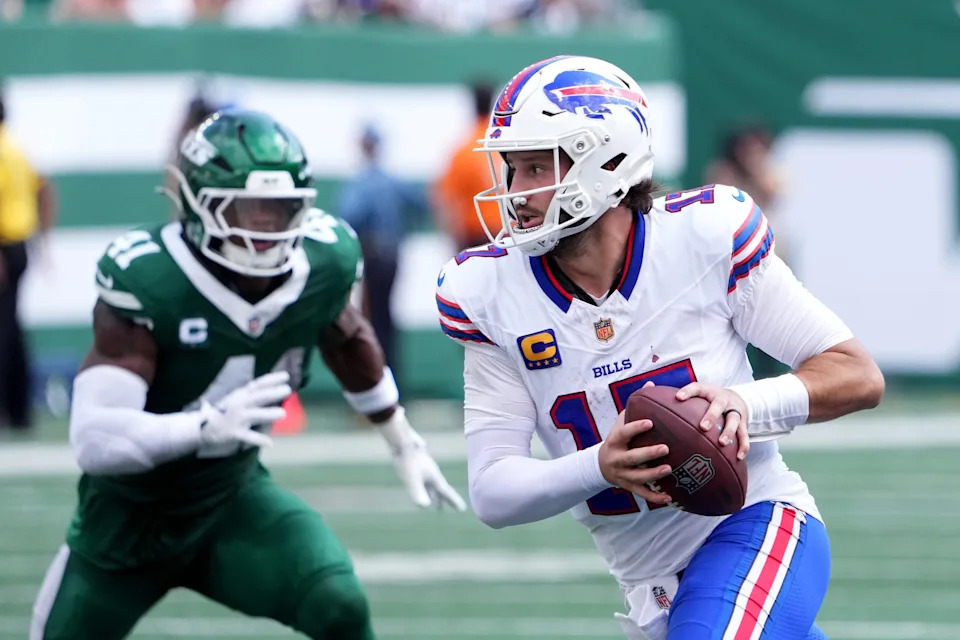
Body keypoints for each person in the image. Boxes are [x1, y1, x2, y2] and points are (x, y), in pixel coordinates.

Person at [436, 55, 884, 640]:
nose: (516, 193)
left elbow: (855, 374)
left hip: (756, 524)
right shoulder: (490, 292)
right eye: (511, 169)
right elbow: (493, 491)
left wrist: (744, 404)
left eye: (534, 168)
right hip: (652, 588)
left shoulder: (702, 237)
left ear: (606, 158)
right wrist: (599, 465)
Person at [30, 109, 465, 640]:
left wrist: (400, 437)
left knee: (338, 602)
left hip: (230, 501)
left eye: (281, 210)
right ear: (196, 204)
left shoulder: (321, 261)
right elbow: (95, 438)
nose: (264, 226)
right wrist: (201, 428)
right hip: (125, 524)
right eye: (246, 208)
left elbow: (346, 337)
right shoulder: (150, 277)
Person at [338, 123, 428, 378]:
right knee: (386, 316)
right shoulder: (392, 181)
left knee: (371, 319)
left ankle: (374, 378)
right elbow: (421, 205)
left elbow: (350, 216)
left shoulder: (361, 184)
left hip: (373, 256)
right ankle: (391, 377)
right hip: (391, 254)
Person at [0, 89, 58, 432]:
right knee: (12, 328)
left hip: (4, 246)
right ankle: (19, 410)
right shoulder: (17, 149)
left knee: (3, 331)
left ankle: (9, 410)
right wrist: (44, 236)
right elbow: (45, 189)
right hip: (19, 245)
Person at [432, 79, 502, 252]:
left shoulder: (463, 150)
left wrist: (453, 239)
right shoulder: (507, 145)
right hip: (510, 235)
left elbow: (445, 200)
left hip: (475, 237)